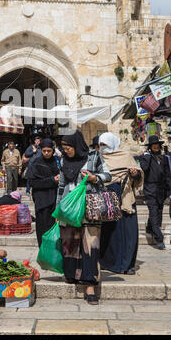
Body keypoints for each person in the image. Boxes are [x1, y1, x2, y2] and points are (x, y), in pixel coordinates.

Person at [56, 130, 111, 305]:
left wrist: (95, 177)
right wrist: (58, 210)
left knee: (90, 246)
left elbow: (107, 175)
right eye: (63, 148)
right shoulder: (64, 160)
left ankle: (90, 287)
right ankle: (72, 275)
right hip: (69, 208)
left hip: (89, 208)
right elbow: (61, 185)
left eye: (69, 147)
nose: (66, 151)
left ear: (77, 145)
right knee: (69, 244)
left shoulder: (94, 156)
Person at [98, 132, 143, 275]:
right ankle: (109, 262)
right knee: (109, 232)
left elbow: (139, 175)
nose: (102, 147)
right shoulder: (98, 158)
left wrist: (135, 174)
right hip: (106, 199)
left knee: (128, 232)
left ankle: (127, 264)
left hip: (125, 198)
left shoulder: (125, 156)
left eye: (105, 145)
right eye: (100, 145)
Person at [137, 135, 171, 250]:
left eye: (157, 145)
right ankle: (159, 238)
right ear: (150, 147)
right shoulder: (146, 158)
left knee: (159, 212)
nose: (156, 146)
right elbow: (144, 168)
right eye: (154, 145)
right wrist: (146, 157)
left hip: (161, 190)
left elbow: (168, 176)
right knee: (153, 212)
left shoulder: (164, 158)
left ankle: (149, 227)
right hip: (150, 189)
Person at [27, 139, 60, 247]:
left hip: (55, 200)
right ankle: (43, 251)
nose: (46, 153)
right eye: (44, 151)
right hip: (42, 201)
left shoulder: (57, 162)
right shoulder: (36, 163)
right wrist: (52, 180)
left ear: (53, 150)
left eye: (49, 151)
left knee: (53, 228)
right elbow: (33, 182)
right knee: (42, 228)